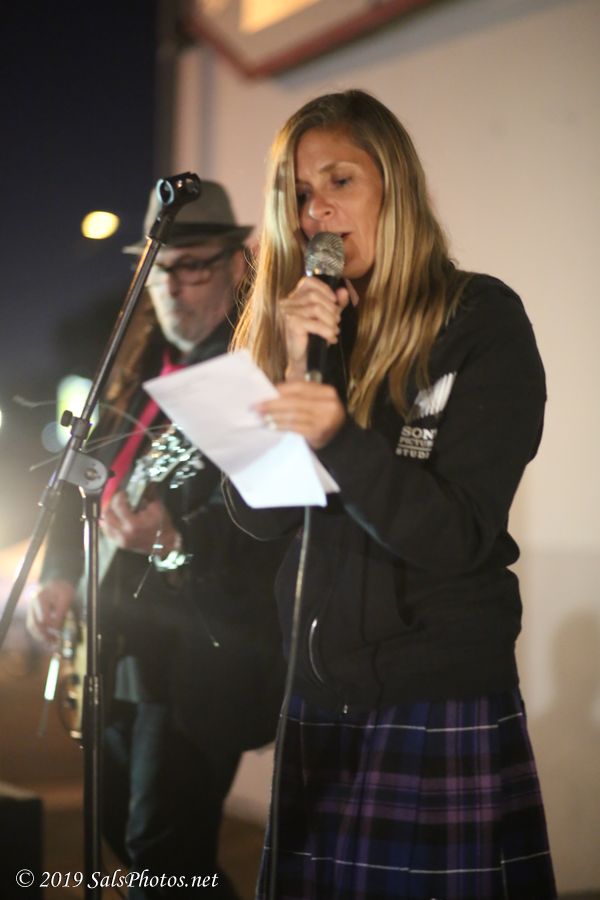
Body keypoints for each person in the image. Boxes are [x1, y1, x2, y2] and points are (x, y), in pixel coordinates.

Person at [225, 90, 557, 899]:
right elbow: (258, 517)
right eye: (300, 194)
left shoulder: (480, 320)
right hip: (317, 698)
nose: (316, 211)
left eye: (339, 181)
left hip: (432, 696)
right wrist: (294, 364)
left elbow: (458, 533)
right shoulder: (313, 332)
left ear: (395, 187)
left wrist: (339, 434)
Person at [28, 181, 287, 898]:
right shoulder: (134, 370)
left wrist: (175, 539)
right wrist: (59, 575)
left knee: (160, 849)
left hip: (196, 657)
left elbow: (264, 524)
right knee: (127, 832)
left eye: (193, 265)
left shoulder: (249, 374)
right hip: (117, 649)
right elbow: (80, 490)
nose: (171, 286)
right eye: (159, 267)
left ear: (238, 263)